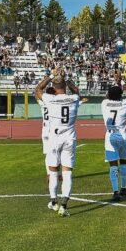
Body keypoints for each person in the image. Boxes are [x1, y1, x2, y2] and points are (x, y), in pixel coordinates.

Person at [35, 68, 81, 217]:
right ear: (65, 87)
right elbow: (76, 90)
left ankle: (54, 202)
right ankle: (64, 205)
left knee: (53, 172)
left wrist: (51, 76)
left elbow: (38, 89)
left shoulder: (50, 99)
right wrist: (66, 79)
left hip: (54, 139)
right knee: (67, 173)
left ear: (53, 88)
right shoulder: (74, 98)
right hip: (69, 138)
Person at [101, 71, 126, 202]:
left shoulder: (104, 104)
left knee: (113, 165)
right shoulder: (124, 103)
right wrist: (121, 82)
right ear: (121, 95)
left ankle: (115, 192)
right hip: (122, 136)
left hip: (110, 137)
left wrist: (115, 83)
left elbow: (106, 97)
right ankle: (123, 188)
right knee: (124, 162)